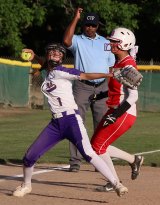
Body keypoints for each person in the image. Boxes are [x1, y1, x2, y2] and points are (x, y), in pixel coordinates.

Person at [12, 43, 128, 197]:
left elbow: (86, 75)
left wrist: (109, 74)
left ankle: (116, 184)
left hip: (71, 120)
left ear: (62, 59)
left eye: (58, 53)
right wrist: (34, 57)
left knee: (89, 154)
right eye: (52, 52)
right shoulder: (49, 71)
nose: (55, 54)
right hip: (56, 124)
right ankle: (26, 186)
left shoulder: (62, 71)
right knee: (29, 156)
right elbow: (45, 64)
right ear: (47, 56)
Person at [90, 27, 144, 192]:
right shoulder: (118, 62)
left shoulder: (128, 65)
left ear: (125, 44)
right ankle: (133, 161)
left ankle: (114, 182)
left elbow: (133, 96)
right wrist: (101, 96)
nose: (111, 43)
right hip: (115, 110)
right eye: (112, 40)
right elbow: (120, 89)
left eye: (115, 41)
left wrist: (115, 115)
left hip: (123, 113)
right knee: (97, 146)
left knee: (97, 147)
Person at [63, 8, 115, 172]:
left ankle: (100, 161)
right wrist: (75, 18)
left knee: (102, 124)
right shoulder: (78, 40)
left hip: (102, 86)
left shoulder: (106, 43)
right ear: (83, 25)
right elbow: (66, 41)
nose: (90, 28)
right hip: (82, 86)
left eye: (93, 25)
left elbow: (111, 66)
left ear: (97, 26)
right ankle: (75, 162)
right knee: (76, 123)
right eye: (87, 25)